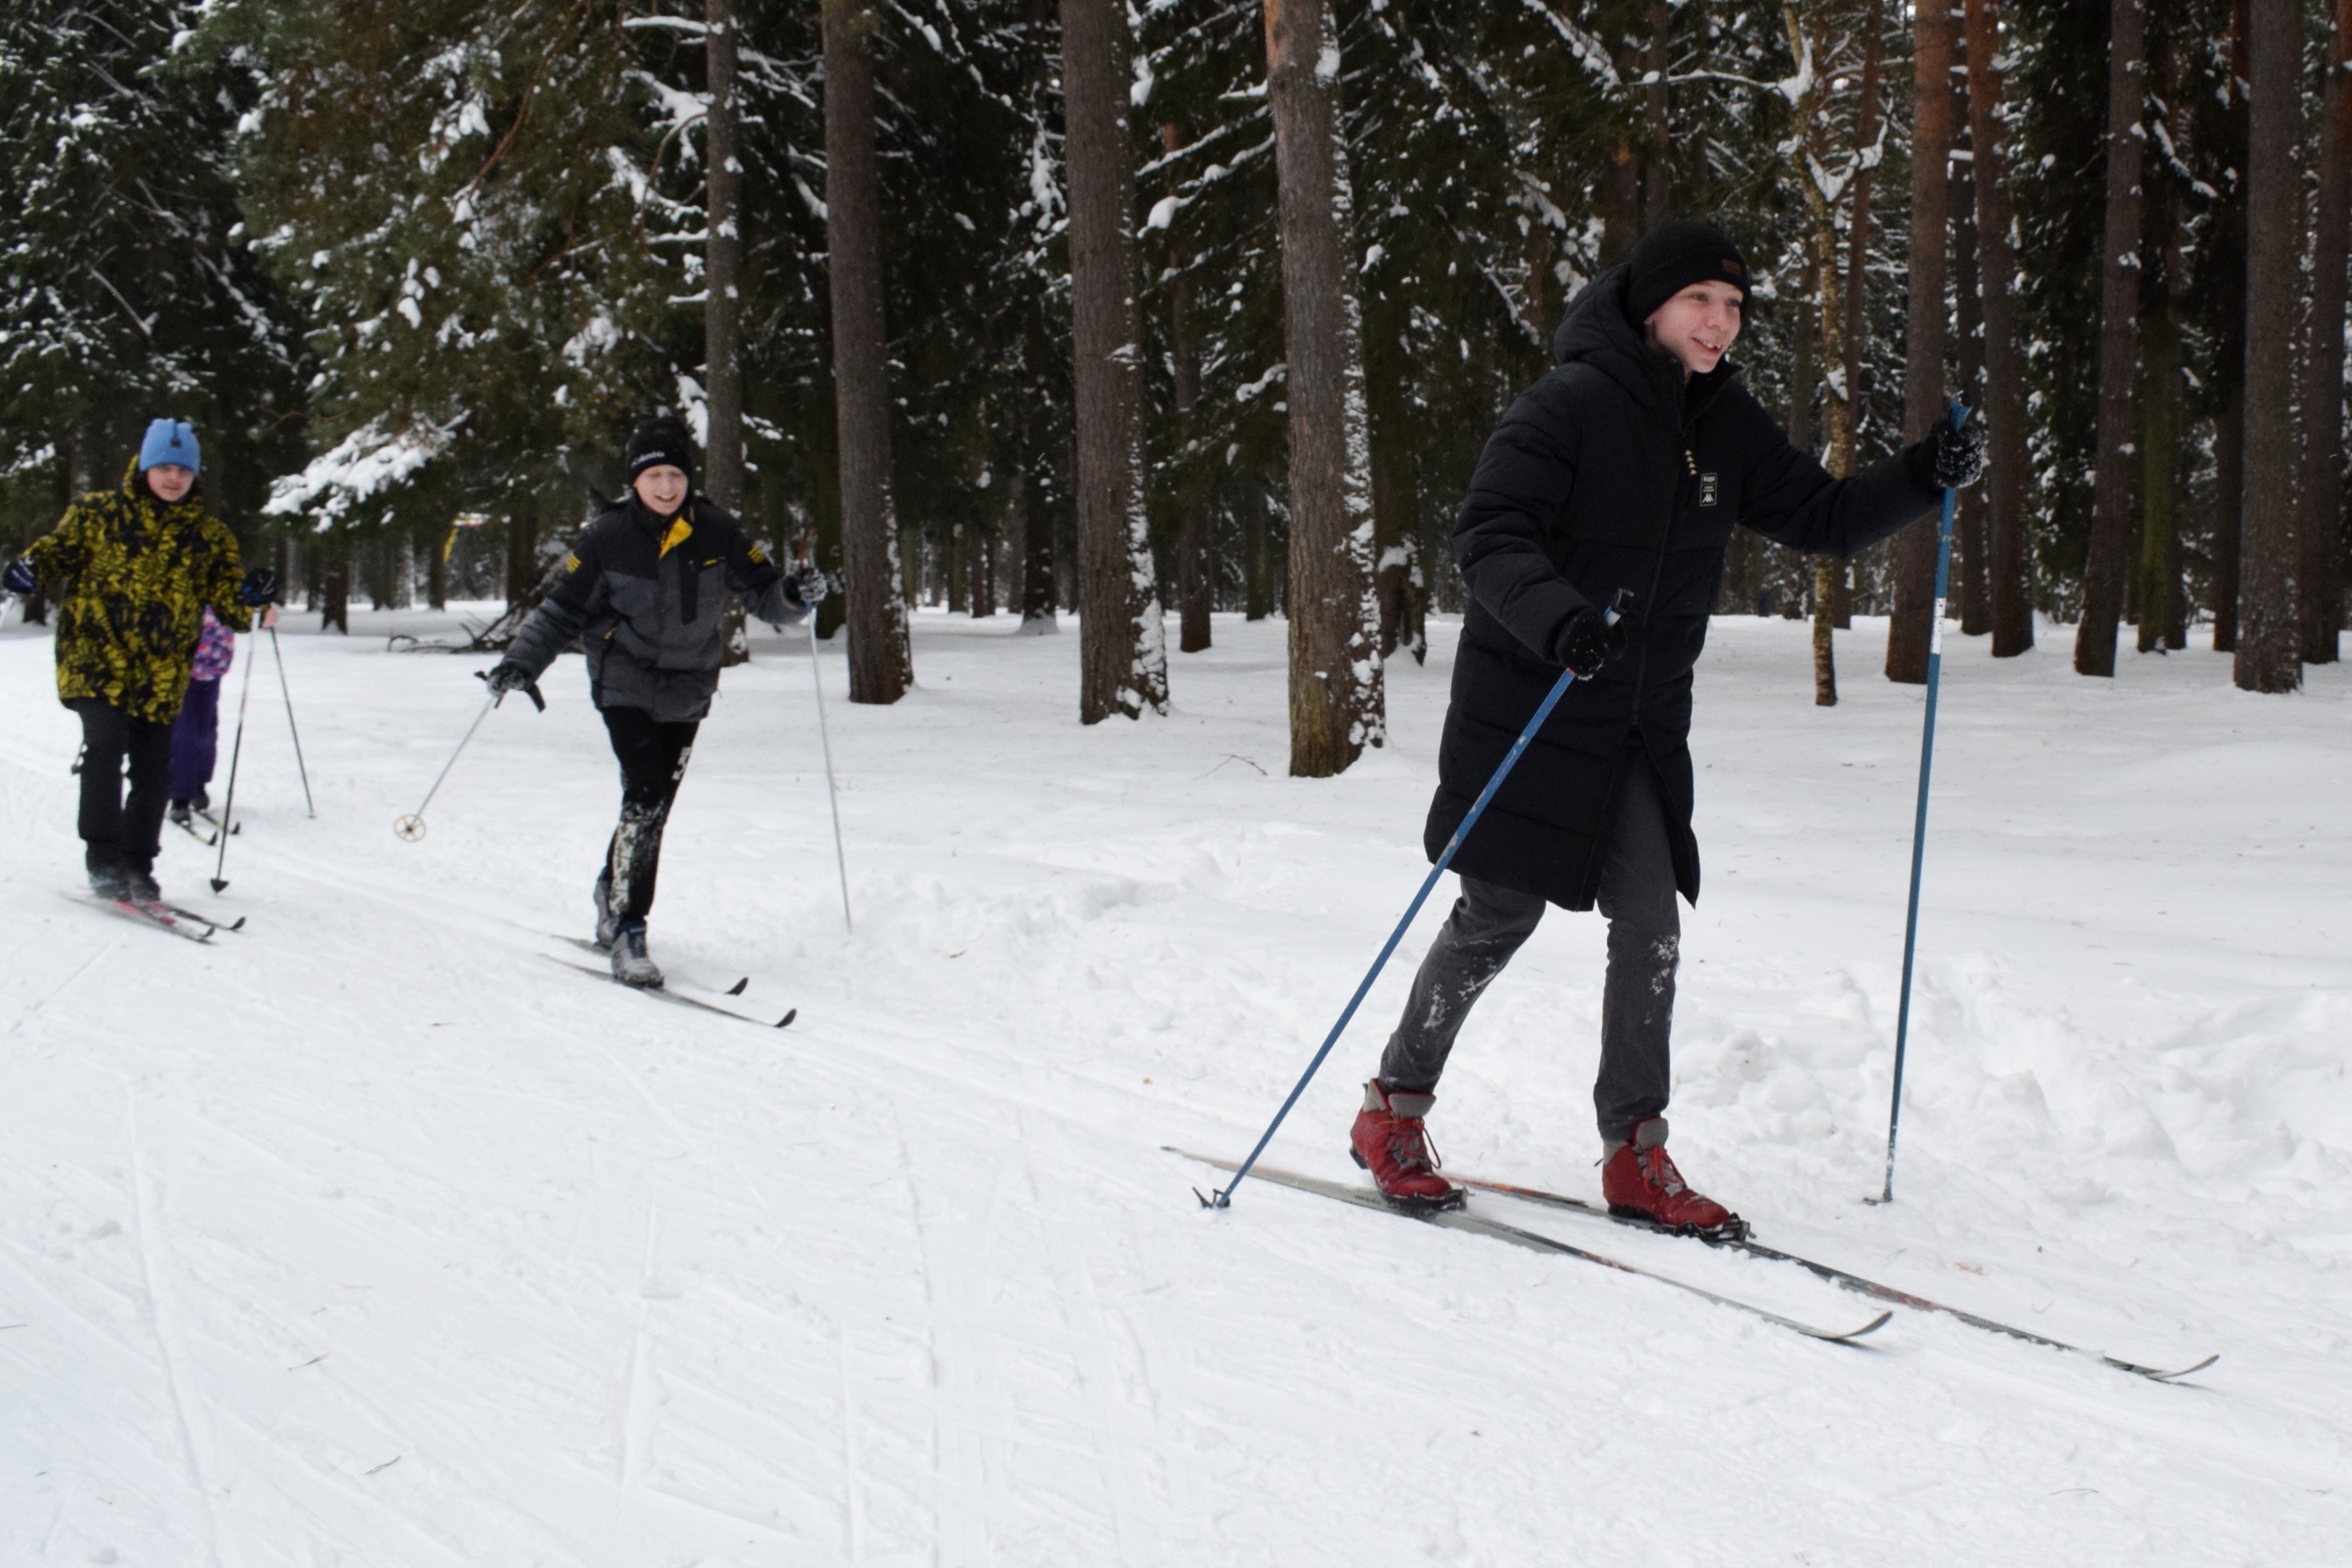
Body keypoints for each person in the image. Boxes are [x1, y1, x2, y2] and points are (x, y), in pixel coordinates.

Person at [1349, 220, 1984, 1232]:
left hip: (1637, 728)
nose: (1719, 324)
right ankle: (1391, 1110)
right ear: (1649, 306)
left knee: (1649, 923)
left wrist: (1920, 475)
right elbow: (1487, 533)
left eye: (1733, 308)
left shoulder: (1720, 424)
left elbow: (1817, 517)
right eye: (1701, 302)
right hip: (1534, 705)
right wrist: (1559, 619)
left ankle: (1633, 1156)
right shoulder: (1565, 405)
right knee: (1496, 915)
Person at [485, 414, 829, 988]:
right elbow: (561, 609)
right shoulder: (606, 537)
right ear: (634, 481)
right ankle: (628, 928)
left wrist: (795, 595)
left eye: (675, 475)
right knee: (643, 794)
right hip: (623, 679)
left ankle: (608, 886)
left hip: (690, 683)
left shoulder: (718, 530)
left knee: (655, 805)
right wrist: (520, 662)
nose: (667, 487)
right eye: (654, 477)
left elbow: (767, 596)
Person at [3, 419, 279, 902]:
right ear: (145, 467)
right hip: (95, 658)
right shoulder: (97, 514)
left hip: (162, 671)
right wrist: (27, 570)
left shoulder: (209, 537)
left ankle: (138, 864)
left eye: (184, 471)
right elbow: (55, 555)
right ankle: (103, 858)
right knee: (106, 743)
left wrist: (251, 593)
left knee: (155, 768)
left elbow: (231, 605)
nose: (174, 478)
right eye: (165, 468)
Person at [168, 606, 236, 827]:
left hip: (211, 662)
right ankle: (184, 792)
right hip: (189, 663)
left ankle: (194, 787)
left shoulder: (220, 583)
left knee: (203, 728)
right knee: (191, 728)